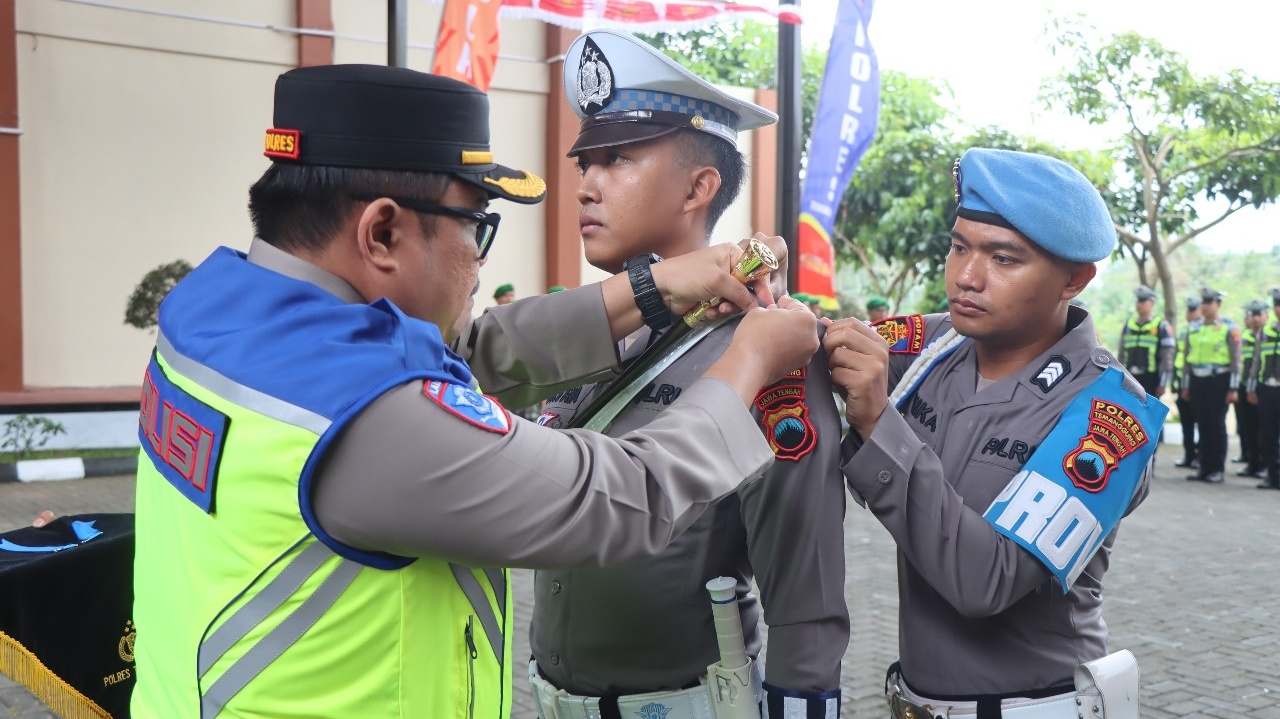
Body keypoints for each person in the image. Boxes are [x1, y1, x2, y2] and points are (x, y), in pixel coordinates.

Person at [128, 65, 821, 719]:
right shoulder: (370, 413)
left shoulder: (217, 313)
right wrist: (751, 361)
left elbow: (472, 350)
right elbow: (615, 498)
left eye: (619, 159)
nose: (481, 260)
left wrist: (654, 288)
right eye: (475, 226)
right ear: (384, 231)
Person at [527, 31, 847, 719]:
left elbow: (803, 595)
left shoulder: (766, 345)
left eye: (616, 160)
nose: (586, 184)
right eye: (586, 162)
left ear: (699, 186)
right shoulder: (581, 333)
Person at [825, 148, 1163, 717]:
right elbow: (824, 342)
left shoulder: (1108, 416)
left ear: (1074, 279)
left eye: (1004, 259)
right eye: (959, 247)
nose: (966, 277)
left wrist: (878, 424)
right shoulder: (936, 347)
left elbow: (987, 581)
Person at [1181, 287, 1241, 483]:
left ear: (1218, 305)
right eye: (1204, 302)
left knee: (1216, 425)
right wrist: (1186, 385)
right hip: (1198, 381)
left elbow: (1235, 360)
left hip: (1219, 381)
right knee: (1203, 425)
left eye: (1210, 302)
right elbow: (1187, 360)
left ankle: (1217, 469)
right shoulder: (1194, 327)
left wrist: (1233, 388)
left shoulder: (1229, 328)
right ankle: (1203, 468)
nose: (1206, 306)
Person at [1247, 288, 1280, 490]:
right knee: (1268, 434)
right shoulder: (1265, 333)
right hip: (1267, 389)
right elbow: (1256, 363)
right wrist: (1251, 388)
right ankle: (1272, 475)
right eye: (1276, 305)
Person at [1117, 286, 1174, 398]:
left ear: (1152, 302)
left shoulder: (1161, 326)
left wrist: (1163, 383)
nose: (1139, 304)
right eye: (1138, 300)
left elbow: (1167, 358)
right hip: (1130, 378)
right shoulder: (1128, 325)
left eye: (1143, 301)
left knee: (1147, 414)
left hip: (1151, 379)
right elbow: (1121, 355)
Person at [1234, 300, 1267, 476]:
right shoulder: (1245, 337)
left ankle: (1264, 465)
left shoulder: (1268, 335)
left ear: (1265, 316)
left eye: (1257, 314)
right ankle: (1252, 463)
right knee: (1248, 428)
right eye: (1251, 314)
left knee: (1264, 429)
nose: (1254, 318)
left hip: (1262, 388)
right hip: (1244, 387)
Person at [1173, 296, 1203, 468]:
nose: (1190, 313)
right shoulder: (1185, 331)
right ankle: (1189, 455)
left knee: (1202, 423)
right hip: (1181, 382)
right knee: (1187, 423)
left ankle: (1200, 456)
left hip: (1196, 383)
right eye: (1188, 310)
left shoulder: (1202, 330)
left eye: (1193, 310)